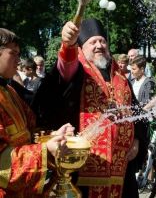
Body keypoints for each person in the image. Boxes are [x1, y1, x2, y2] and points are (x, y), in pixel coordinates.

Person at [33, 19, 148, 198]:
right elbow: (66, 65)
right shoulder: (77, 70)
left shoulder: (120, 76)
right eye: (92, 42)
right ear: (81, 48)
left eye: (102, 41)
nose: (99, 45)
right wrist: (68, 44)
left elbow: (136, 111)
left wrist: (137, 139)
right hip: (83, 169)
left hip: (121, 171)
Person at [0, 28, 74, 196]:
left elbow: (30, 132)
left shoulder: (10, 91)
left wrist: (53, 135)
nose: (19, 61)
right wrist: (45, 150)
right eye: (13, 53)